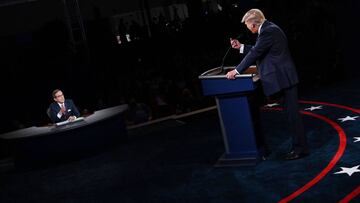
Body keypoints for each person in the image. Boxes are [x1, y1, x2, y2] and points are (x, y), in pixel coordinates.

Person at [226, 9, 309, 160]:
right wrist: (241, 47)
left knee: (292, 117)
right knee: (291, 116)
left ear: (253, 24)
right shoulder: (269, 29)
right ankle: (299, 147)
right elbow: (259, 50)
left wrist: (236, 71)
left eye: (247, 25)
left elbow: (256, 53)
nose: (248, 28)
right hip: (284, 78)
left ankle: (300, 149)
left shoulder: (268, 32)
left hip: (283, 79)